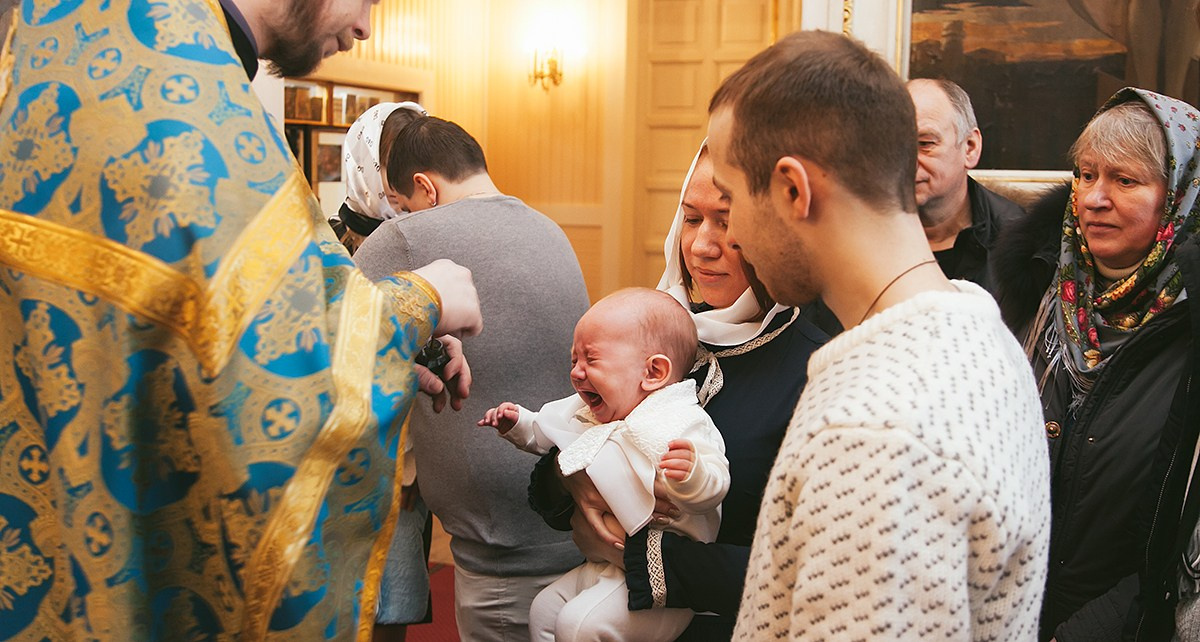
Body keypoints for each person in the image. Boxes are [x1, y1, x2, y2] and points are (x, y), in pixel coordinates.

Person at [0, 1, 484, 640]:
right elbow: (273, 387)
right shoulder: (189, 103)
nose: (368, 25)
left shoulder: (90, 37)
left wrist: (393, 344)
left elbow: (207, 319)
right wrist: (423, 299)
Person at [705, 31, 1050, 639]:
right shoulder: (977, 326)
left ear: (792, 189)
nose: (730, 237)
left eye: (730, 199)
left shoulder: (876, 432)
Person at [526, 143, 828, 639]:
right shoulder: (653, 328)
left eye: (726, 222)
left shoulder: (814, 369)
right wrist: (571, 480)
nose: (701, 247)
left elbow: (807, 567)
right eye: (691, 219)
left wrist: (652, 558)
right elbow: (569, 433)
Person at [354, 116, 590, 640]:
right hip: (570, 505)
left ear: (425, 187)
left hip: (502, 543)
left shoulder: (406, 239)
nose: (402, 215)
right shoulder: (548, 228)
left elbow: (331, 328)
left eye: (402, 201)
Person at [1000, 89, 1199, 642]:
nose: (1093, 198)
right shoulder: (1035, 292)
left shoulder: (1192, 329)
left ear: (1181, 195)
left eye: (1125, 180)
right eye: (1086, 175)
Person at [480, 287, 729, 641]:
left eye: (591, 360)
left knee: (581, 625)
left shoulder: (678, 421)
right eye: (573, 360)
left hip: (664, 582)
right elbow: (546, 429)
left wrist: (691, 475)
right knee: (544, 610)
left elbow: (715, 482)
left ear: (654, 372)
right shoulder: (590, 411)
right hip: (602, 563)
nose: (577, 373)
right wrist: (516, 423)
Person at [908, 78, 1025, 295]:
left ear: (970, 147)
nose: (906, 161)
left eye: (925, 144)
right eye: (895, 145)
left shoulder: (1019, 241)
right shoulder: (856, 233)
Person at [331, 101, 427, 254]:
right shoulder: (327, 243)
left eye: (417, 169)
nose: (405, 182)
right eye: (392, 166)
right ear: (364, 162)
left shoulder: (429, 238)